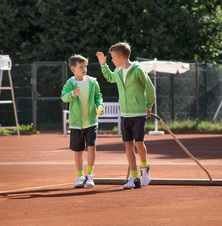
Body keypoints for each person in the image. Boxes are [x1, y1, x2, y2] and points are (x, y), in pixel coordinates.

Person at [96, 42, 155, 189]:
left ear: (121, 57)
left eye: (113, 58)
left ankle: (145, 168)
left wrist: (149, 106)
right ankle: (134, 178)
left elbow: (150, 89)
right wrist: (103, 65)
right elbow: (110, 78)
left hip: (139, 113)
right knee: (128, 145)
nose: (112, 60)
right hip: (125, 114)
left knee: (139, 144)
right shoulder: (117, 71)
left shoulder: (138, 71)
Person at [61, 54, 104, 188]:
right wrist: (72, 94)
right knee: (78, 151)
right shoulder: (70, 83)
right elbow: (64, 97)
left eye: (85, 66)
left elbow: (98, 97)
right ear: (73, 69)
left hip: (91, 121)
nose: (84, 69)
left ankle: (90, 176)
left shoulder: (93, 82)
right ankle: (80, 177)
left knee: (91, 147)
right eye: (81, 67)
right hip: (76, 124)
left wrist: (100, 106)